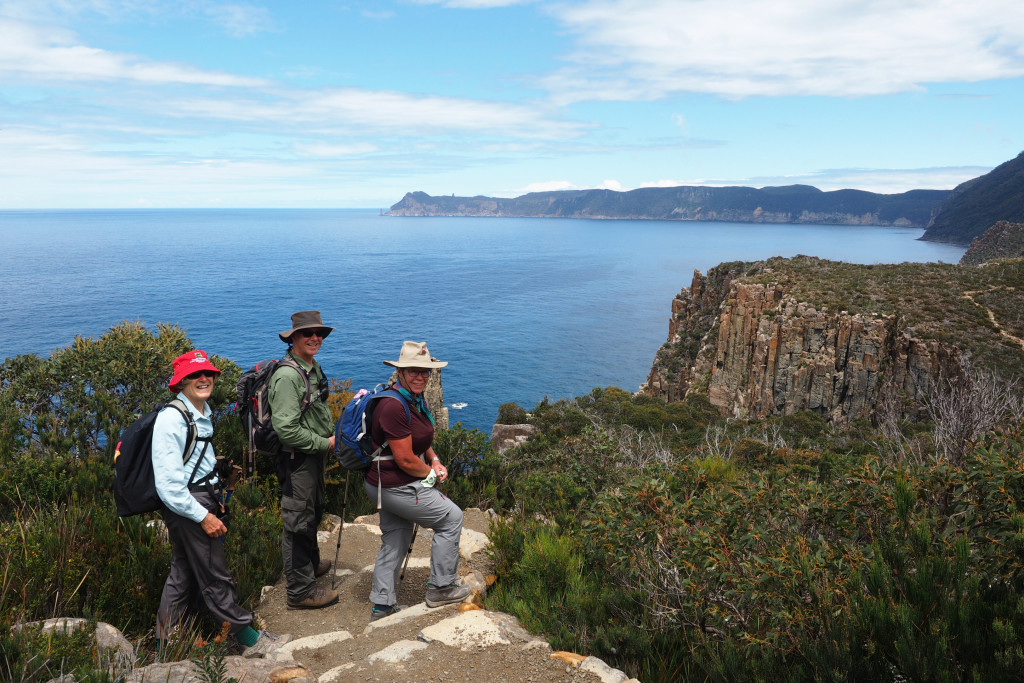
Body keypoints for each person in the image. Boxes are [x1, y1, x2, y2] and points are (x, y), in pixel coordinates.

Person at [154, 350, 290, 658]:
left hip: (202, 498)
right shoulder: (171, 419)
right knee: (215, 574)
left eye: (208, 374)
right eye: (195, 374)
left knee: (184, 571)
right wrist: (203, 516)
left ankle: (167, 642)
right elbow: (168, 485)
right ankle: (250, 640)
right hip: (189, 505)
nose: (204, 379)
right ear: (180, 382)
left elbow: (195, 462)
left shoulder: (200, 411)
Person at [365, 341, 472, 621]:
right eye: (413, 371)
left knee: (396, 537)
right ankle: (441, 587)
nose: (420, 377)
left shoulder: (414, 398)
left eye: (425, 372)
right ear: (400, 372)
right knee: (451, 518)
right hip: (394, 483)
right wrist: (430, 475)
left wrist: (434, 459)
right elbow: (405, 459)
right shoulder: (393, 406)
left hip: (387, 482)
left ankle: (382, 606)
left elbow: (420, 443)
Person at [269, 310, 339, 609]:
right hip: (298, 459)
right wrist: (323, 442)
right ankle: (299, 592)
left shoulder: (310, 367)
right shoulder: (288, 376)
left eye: (319, 334)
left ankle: (310, 565)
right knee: (298, 522)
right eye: (308, 334)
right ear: (293, 337)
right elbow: (285, 429)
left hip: (312, 457)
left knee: (313, 511)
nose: (315, 338)